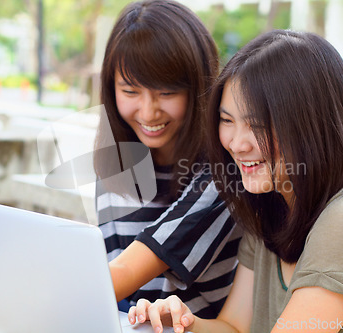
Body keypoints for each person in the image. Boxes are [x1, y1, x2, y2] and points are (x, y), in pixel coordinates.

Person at [127, 30, 343, 333]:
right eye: (227, 121)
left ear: (312, 126)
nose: (237, 143)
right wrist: (183, 322)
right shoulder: (271, 205)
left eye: (257, 125)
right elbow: (235, 327)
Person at [93, 0, 241, 319]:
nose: (148, 112)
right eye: (130, 91)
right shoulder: (115, 161)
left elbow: (126, 273)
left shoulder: (227, 171)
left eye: (166, 93)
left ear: (199, 87)